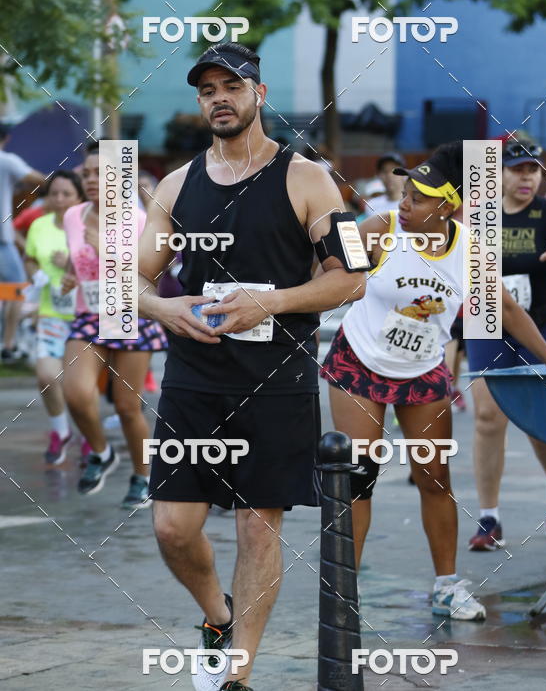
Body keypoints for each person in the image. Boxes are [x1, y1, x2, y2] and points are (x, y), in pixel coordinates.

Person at [137, 41, 367, 691]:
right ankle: (218, 617)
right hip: (194, 374)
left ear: (258, 94)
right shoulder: (178, 184)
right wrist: (163, 308)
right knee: (172, 527)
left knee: (257, 530)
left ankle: (237, 676)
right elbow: (131, 280)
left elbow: (351, 280)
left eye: (230, 87)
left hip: (275, 378)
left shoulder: (307, 178)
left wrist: (272, 301)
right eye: (207, 90)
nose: (219, 99)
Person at [321, 141, 546, 621]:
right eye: (406, 190)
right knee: (358, 478)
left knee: (434, 478)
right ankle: (342, 592)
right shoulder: (381, 227)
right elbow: (327, 269)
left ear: (448, 205)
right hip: (359, 362)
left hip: (422, 371)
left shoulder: (469, 250)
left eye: (418, 196)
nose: (405, 202)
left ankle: (446, 585)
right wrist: (339, 255)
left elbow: (508, 309)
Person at [466, 140, 546, 551]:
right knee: (487, 418)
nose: (526, 178)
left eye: (534, 170)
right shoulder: (480, 217)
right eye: (518, 169)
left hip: (543, 323)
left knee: (541, 422)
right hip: (488, 322)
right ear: (499, 173)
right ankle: (489, 518)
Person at [61, 141, 168, 508]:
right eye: (86, 172)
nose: (90, 179)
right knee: (74, 392)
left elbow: (147, 274)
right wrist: (69, 274)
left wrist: (105, 249)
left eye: (99, 173)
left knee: (126, 407)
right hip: (89, 314)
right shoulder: (73, 216)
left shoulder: (137, 220)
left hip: (128, 313)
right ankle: (102, 452)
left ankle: (142, 474)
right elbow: (77, 255)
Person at [24, 171, 84, 464]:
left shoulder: (89, 226)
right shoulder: (39, 226)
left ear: (80, 197)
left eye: (66, 194)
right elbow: (30, 257)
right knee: (47, 376)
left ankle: (89, 437)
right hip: (51, 314)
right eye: (54, 193)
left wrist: (71, 262)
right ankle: (61, 433)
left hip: (86, 317)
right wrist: (35, 275)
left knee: (79, 385)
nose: (59, 200)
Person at [0, 124, 45, 362]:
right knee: (17, 289)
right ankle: (8, 345)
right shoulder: (6, 160)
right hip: (2, 240)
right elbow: (38, 179)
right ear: (5, 138)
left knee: (8, 291)